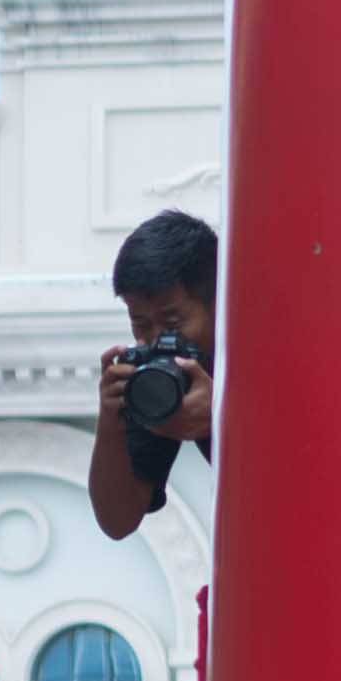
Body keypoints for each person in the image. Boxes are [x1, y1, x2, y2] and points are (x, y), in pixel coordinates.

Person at [81, 203, 218, 541]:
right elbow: (118, 520)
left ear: (218, 303)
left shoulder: (270, 357)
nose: (160, 340)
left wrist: (225, 414)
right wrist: (112, 420)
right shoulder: (159, 379)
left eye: (173, 323)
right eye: (140, 325)